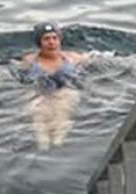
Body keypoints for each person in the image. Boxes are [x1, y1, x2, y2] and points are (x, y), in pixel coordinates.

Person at [21, 22, 89, 150]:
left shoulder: (73, 58)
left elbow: (95, 58)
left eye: (54, 38)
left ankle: (58, 144)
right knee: (38, 112)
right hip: (41, 92)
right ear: (39, 42)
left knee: (62, 110)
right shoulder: (29, 60)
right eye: (46, 39)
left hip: (66, 90)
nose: (51, 42)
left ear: (59, 40)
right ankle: (43, 146)